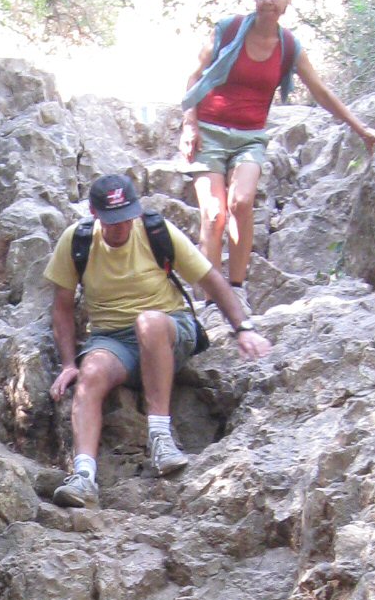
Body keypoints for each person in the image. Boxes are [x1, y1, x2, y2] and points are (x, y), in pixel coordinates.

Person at [45, 172, 272, 508]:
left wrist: (243, 328)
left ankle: (161, 438)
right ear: (96, 216)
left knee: (148, 322)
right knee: (90, 374)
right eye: (112, 221)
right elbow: (62, 308)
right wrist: (67, 363)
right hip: (112, 339)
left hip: (167, 328)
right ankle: (83, 477)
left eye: (126, 219)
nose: (121, 227)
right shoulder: (76, 241)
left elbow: (211, 279)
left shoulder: (156, 231)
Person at [180, 0, 375, 293]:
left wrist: (361, 128)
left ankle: (236, 289)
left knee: (241, 202)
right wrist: (189, 125)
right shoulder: (229, 30)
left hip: (250, 137)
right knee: (212, 215)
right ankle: (210, 299)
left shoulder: (289, 47)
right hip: (209, 131)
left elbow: (321, 91)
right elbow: (194, 76)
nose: (269, 1)